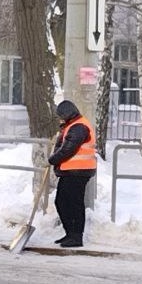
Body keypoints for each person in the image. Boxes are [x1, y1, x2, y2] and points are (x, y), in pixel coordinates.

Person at [48, 99, 97, 248]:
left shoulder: (79, 126)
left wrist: (53, 159)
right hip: (71, 171)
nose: (60, 118)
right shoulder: (72, 125)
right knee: (62, 202)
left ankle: (76, 236)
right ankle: (70, 233)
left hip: (78, 171)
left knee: (73, 204)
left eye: (61, 115)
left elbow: (69, 149)